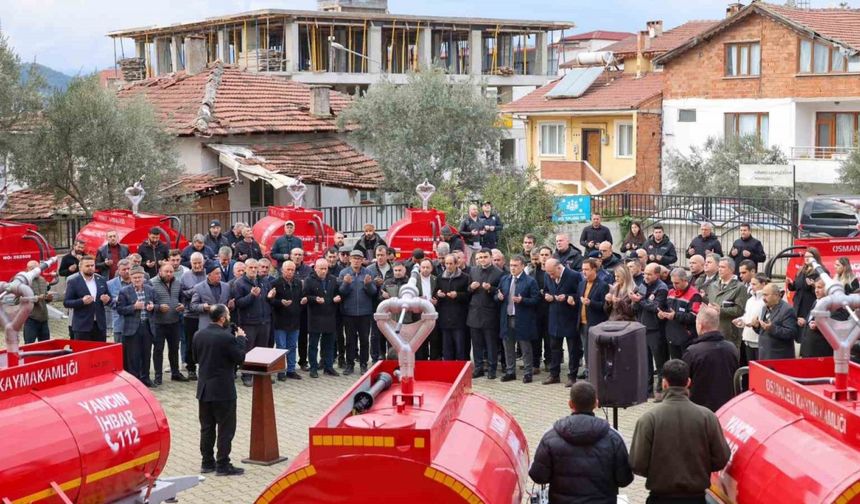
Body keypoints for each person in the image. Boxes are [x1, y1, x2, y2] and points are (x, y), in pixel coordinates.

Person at [629, 359, 731, 504]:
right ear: (688, 382)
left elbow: (637, 463)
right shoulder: (707, 417)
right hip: (696, 497)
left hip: (660, 497)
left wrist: (657, 473)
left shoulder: (649, 419)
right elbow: (721, 457)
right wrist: (700, 469)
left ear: (664, 383)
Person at [529, 381, 633, 503]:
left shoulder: (551, 437)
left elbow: (538, 476)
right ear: (596, 403)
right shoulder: (613, 438)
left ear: (570, 404)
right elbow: (624, 479)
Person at [194, 304, 247, 477]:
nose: (230, 318)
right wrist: (240, 339)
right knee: (225, 428)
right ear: (222, 318)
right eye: (228, 315)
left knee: (207, 427)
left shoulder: (198, 334)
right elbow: (240, 358)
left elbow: (195, 358)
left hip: (204, 388)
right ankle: (223, 464)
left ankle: (207, 462)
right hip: (223, 390)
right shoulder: (227, 338)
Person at [683, 306, 739, 412]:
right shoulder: (731, 348)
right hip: (726, 409)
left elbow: (683, 383)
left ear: (700, 325)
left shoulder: (692, 352)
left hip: (699, 410)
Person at [497, 255, 540, 383]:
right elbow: (497, 294)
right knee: (508, 346)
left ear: (522, 266)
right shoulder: (505, 279)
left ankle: (528, 373)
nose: (513, 268)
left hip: (522, 318)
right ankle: (510, 372)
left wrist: (523, 300)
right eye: (511, 265)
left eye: (515, 266)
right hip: (507, 317)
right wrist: (498, 297)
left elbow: (536, 299)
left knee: (525, 347)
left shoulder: (530, 281)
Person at [338, 249, 378, 375]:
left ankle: (363, 364)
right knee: (350, 340)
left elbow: (373, 293)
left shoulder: (368, 272)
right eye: (354, 258)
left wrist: (368, 284)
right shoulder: (344, 272)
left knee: (364, 340)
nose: (356, 261)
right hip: (348, 313)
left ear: (362, 261)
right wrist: (345, 283)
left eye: (359, 258)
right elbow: (341, 292)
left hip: (365, 313)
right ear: (350, 259)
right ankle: (349, 364)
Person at [543, 258, 581, 387]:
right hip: (554, 317)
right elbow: (546, 289)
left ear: (559, 267)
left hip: (570, 317)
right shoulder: (548, 275)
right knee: (554, 348)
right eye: (548, 273)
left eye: (552, 273)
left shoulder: (574, 275)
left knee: (573, 349)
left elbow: (580, 293)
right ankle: (554, 374)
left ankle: (572, 376)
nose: (551, 276)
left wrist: (569, 297)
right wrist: (547, 296)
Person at [115, 266, 156, 386]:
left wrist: (153, 307)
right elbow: (120, 310)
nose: (137, 279)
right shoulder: (124, 291)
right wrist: (133, 307)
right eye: (135, 278)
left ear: (144, 278)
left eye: (139, 277)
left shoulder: (150, 289)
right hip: (132, 328)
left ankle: (146, 378)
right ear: (131, 278)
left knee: (146, 353)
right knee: (133, 355)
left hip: (147, 326)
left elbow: (157, 304)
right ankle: (135, 380)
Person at [632, 263, 669, 397]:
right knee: (645, 361)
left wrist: (640, 300)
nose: (645, 276)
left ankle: (660, 390)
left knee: (660, 362)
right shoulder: (643, 284)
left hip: (655, 329)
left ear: (657, 275)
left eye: (649, 274)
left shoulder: (662, 288)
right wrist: (635, 301)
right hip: (642, 327)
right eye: (645, 273)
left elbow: (654, 307)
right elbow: (638, 305)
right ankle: (647, 390)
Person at [302, 259, 342, 378]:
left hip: (329, 316)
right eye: (321, 269)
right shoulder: (309, 280)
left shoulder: (333, 279)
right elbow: (305, 296)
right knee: (313, 344)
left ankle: (328, 367)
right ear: (315, 268)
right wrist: (314, 299)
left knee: (329, 344)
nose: (324, 271)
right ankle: (313, 368)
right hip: (315, 316)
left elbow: (338, 293)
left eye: (326, 268)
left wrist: (338, 297)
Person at [232, 259, 270, 386]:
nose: (253, 270)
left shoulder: (263, 281)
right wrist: (251, 296)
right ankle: (246, 375)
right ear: (246, 268)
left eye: (255, 267)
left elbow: (266, 300)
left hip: (263, 321)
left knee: (261, 349)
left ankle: (259, 374)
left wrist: (271, 296)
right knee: (248, 350)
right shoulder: (239, 283)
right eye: (251, 267)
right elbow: (238, 303)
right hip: (248, 322)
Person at [150, 263, 189, 384]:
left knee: (174, 349)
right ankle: (158, 376)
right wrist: (158, 307)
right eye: (166, 271)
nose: (169, 274)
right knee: (158, 350)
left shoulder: (177, 282)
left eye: (171, 272)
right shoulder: (151, 283)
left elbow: (182, 297)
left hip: (174, 321)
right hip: (158, 323)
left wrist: (183, 305)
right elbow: (148, 302)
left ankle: (175, 373)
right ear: (160, 271)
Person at [467, 249, 502, 379]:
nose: (482, 259)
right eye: (480, 257)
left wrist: (491, 289)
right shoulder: (473, 270)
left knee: (491, 343)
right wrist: (471, 287)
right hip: (474, 312)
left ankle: (492, 369)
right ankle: (478, 368)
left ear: (491, 257)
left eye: (485, 257)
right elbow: (467, 290)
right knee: (476, 344)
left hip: (490, 313)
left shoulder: (498, 273)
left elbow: (501, 292)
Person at [268, 260, 304, 380]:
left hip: (294, 320)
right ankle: (280, 371)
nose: (290, 272)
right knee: (281, 347)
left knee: (292, 346)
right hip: (280, 320)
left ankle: (291, 370)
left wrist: (303, 302)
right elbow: (270, 301)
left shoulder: (298, 283)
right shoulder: (275, 283)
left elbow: (300, 299)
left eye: (292, 270)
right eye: (287, 269)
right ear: (282, 270)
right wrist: (280, 302)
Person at [63, 255, 112, 341]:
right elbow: (66, 302)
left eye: (92, 265)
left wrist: (107, 300)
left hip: (99, 325)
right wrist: (82, 301)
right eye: (87, 266)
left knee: (99, 353)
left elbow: (109, 298)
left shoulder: (101, 280)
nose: (90, 268)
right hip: (82, 326)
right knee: (82, 353)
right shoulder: (73, 282)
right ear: (80, 267)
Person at [577, 258, 609, 378]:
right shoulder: (581, 284)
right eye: (583, 269)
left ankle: (596, 375)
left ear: (594, 269)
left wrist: (591, 303)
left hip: (595, 324)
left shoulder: (602, 285)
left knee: (596, 351)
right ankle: (588, 372)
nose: (584, 272)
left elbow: (605, 306)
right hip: (582, 323)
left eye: (587, 269)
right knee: (586, 350)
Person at [707, 257, 749, 349]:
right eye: (719, 267)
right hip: (713, 330)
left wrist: (720, 310)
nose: (719, 269)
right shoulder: (713, 285)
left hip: (729, 332)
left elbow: (739, 310)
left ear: (731, 269)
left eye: (723, 267)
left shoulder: (739, 287)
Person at [661, 268, 702, 359]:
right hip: (672, 335)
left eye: (677, 283)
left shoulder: (694, 295)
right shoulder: (671, 292)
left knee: (686, 364)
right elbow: (667, 309)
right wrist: (662, 314)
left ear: (685, 280)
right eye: (672, 283)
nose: (674, 285)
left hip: (686, 337)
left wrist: (675, 316)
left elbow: (694, 316)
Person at [801, 277, 847, 358]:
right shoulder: (816, 301)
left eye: (819, 287)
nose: (816, 290)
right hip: (807, 351)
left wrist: (820, 326)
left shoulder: (836, 306)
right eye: (815, 287)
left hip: (821, 354)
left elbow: (839, 325)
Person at [436, 255, 470, 361]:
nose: (449, 266)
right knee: (447, 347)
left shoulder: (465, 277)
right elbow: (436, 293)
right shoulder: (440, 277)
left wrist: (458, 295)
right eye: (447, 263)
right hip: (445, 317)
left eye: (451, 264)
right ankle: (448, 368)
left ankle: (460, 367)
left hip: (459, 317)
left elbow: (469, 295)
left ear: (456, 264)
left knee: (460, 346)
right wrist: (438, 295)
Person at [753, 283, 799, 360]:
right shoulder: (765, 308)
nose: (763, 298)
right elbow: (764, 331)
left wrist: (772, 328)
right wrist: (756, 326)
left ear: (776, 295)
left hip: (778, 358)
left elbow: (791, 333)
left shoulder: (787, 310)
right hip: (764, 355)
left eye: (766, 295)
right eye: (763, 295)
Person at [180, 253, 207, 380]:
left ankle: (205, 367)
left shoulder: (208, 274)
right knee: (190, 342)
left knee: (205, 343)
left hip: (206, 314)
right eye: (194, 263)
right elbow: (182, 293)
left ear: (203, 262)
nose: (197, 265)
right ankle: (191, 368)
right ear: (191, 263)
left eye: (199, 263)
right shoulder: (185, 276)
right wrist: (195, 290)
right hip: (190, 315)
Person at [787, 247, 822, 336]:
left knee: (805, 333)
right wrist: (790, 284)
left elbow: (821, 292)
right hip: (798, 305)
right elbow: (795, 287)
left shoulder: (819, 271)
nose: (806, 258)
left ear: (815, 258)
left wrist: (813, 286)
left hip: (808, 305)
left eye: (809, 256)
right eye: (805, 256)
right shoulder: (801, 270)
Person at [734, 273, 768, 362]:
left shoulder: (766, 301)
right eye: (750, 284)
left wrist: (754, 324)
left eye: (754, 284)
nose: (751, 286)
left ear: (763, 284)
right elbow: (747, 315)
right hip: (747, 338)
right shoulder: (750, 300)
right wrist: (741, 320)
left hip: (759, 341)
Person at [190, 263, 232, 332]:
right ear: (209, 275)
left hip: (223, 326)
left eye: (220, 273)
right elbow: (193, 306)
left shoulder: (226, 286)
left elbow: (228, 305)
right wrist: (203, 307)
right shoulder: (199, 287)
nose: (219, 276)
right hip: (206, 326)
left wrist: (231, 305)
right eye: (216, 274)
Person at [415, 258, 441, 361]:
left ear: (431, 268)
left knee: (434, 340)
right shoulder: (414, 280)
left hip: (432, 314)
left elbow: (439, 294)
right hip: (418, 315)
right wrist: (417, 299)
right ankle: (422, 362)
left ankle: (434, 362)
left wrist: (436, 301)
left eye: (427, 267)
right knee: (421, 341)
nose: (425, 269)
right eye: (423, 267)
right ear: (420, 268)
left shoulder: (436, 279)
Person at [23, 260, 52, 343]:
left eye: (37, 268)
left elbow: (45, 299)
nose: (36, 271)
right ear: (27, 269)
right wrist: (36, 298)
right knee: (29, 346)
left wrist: (48, 298)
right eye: (32, 268)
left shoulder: (42, 280)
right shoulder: (24, 282)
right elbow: (19, 300)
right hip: (31, 319)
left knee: (46, 345)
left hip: (44, 319)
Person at [107, 259, 132, 343]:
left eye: (129, 268)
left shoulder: (138, 281)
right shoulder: (110, 284)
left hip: (136, 325)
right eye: (124, 269)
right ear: (118, 271)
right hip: (119, 324)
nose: (127, 271)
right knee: (120, 352)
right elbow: (108, 303)